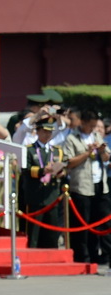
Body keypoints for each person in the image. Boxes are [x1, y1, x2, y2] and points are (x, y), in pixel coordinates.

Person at [61, 110, 111, 265]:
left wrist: (102, 151)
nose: (93, 129)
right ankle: (83, 256)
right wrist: (87, 152)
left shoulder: (96, 136)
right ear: (82, 123)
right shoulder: (71, 138)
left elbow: (106, 157)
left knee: (103, 221)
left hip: (100, 184)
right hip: (81, 185)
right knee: (83, 223)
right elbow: (69, 162)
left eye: (95, 126)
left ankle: (103, 255)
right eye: (90, 126)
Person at [19, 116, 66, 249]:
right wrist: (42, 170)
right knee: (33, 232)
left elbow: (64, 167)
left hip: (51, 195)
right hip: (35, 195)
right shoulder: (29, 149)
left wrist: (61, 172)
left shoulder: (57, 150)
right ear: (38, 131)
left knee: (52, 232)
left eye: (50, 132)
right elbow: (25, 170)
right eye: (44, 131)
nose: (47, 134)